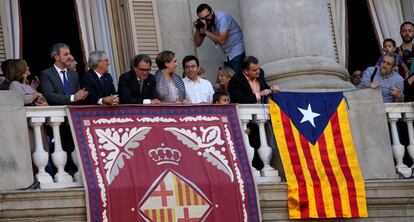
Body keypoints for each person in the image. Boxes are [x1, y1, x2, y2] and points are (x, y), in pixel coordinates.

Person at [193, 3, 245, 75]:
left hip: (238, 50)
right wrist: (199, 28)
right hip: (228, 55)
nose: (206, 19)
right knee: (226, 79)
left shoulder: (222, 17)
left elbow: (222, 40)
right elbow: (197, 43)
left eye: (207, 16)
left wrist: (205, 31)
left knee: (235, 79)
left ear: (212, 12)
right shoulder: (206, 23)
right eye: (203, 18)